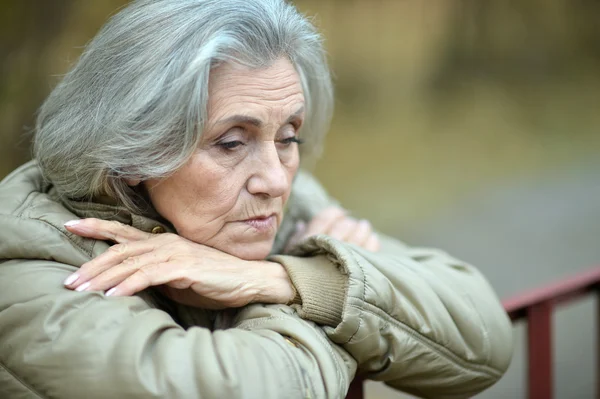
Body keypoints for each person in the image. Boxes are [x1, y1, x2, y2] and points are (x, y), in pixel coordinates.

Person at [0, 0, 513, 398]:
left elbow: (484, 336)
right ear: (133, 152)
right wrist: (315, 309)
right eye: (231, 142)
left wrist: (286, 279)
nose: (276, 178)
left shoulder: (281, 203)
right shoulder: (29, 259)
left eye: (289, 135)